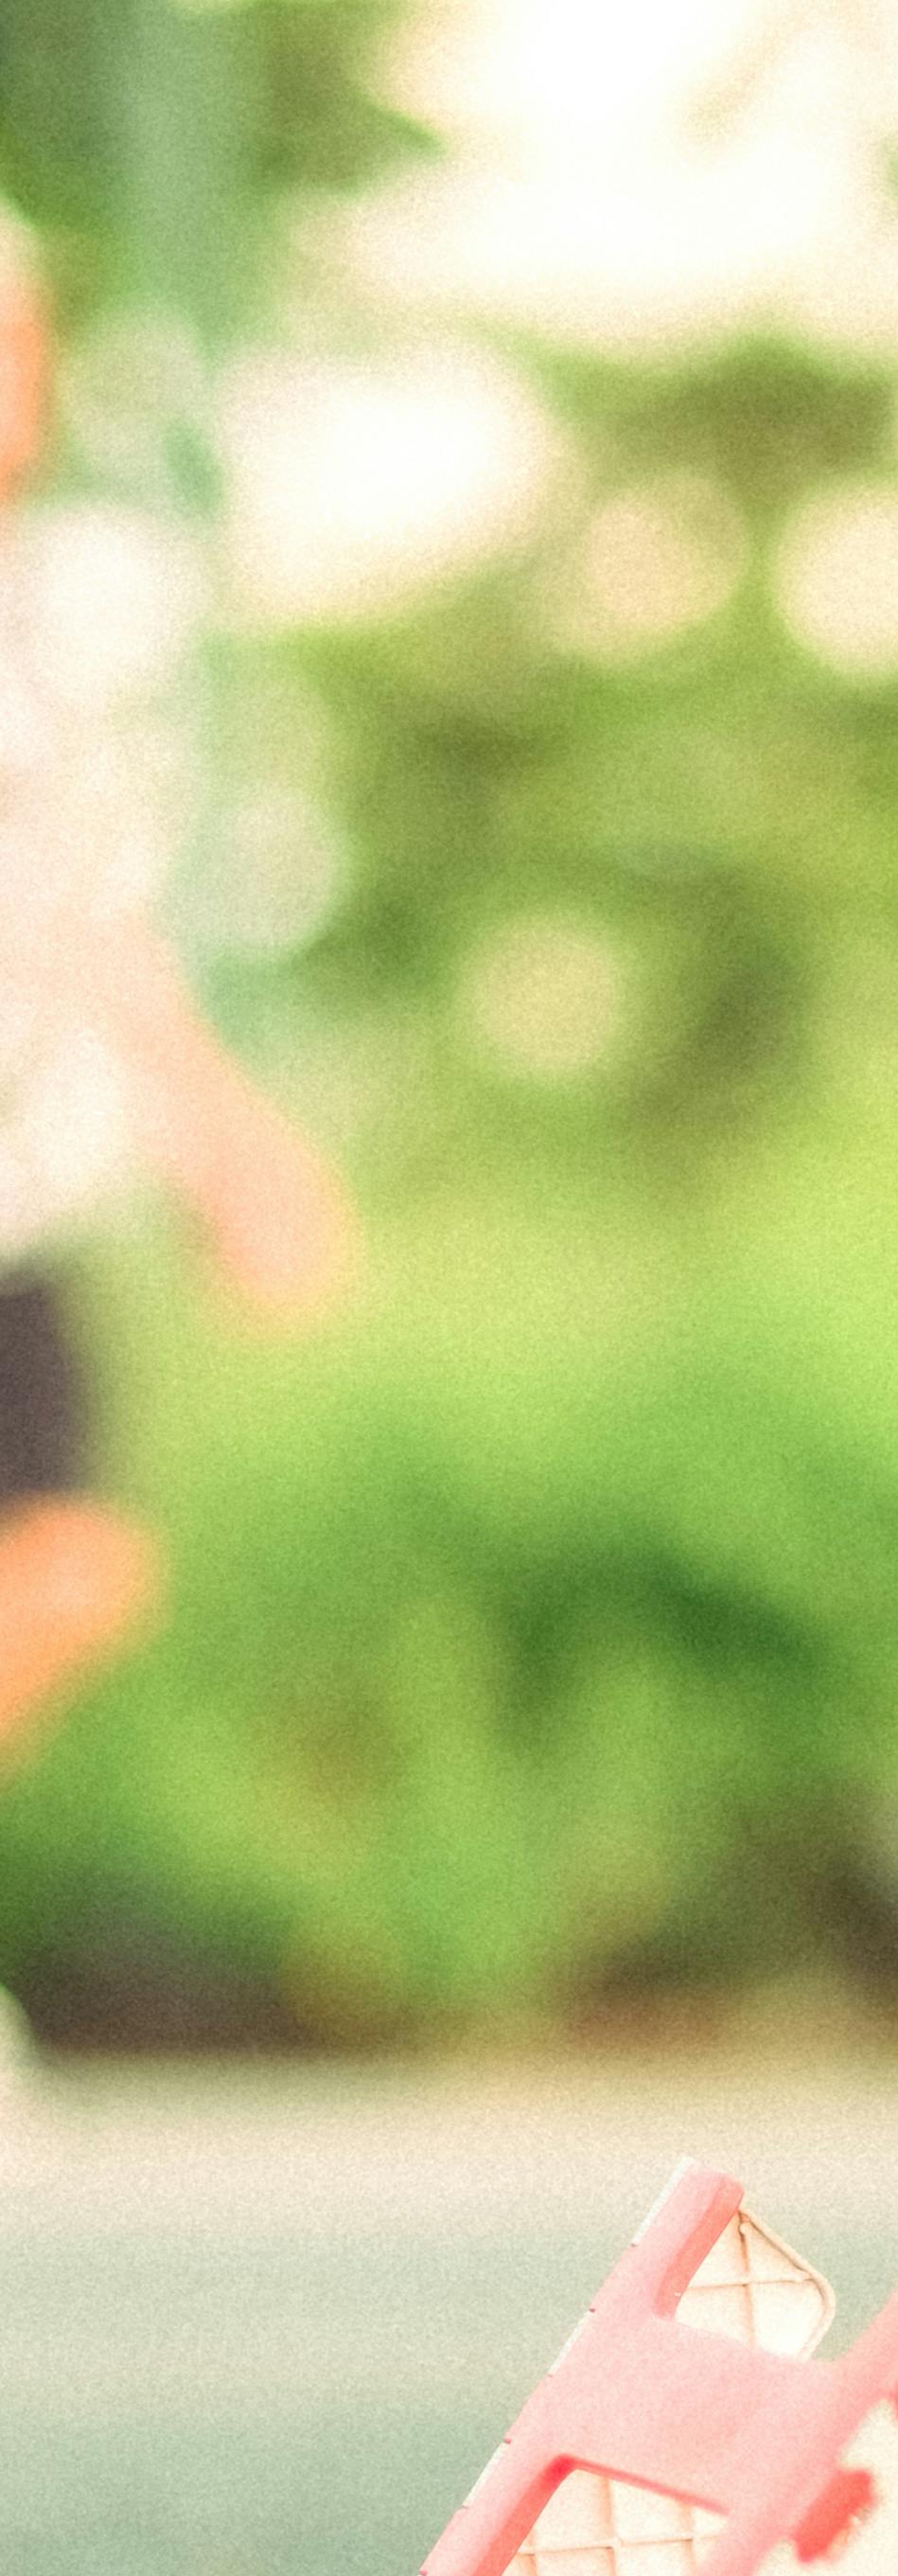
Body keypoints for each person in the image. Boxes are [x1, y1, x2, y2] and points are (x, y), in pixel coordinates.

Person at [0, 212, 353, 1775]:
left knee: (72, 1566)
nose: (25, 380)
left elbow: (86, 927)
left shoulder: (39, 636)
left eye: (29, 342)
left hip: (19, 1201)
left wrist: (231, 1150)